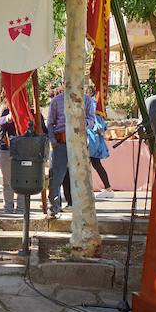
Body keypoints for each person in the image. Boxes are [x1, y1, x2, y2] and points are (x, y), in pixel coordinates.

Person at [46, 87, 96, 218]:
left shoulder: (87, 100)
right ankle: (54, 207)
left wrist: (81, 123)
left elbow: (92, 120)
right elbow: (50, 123)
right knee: (56, 177)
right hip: (61, 143)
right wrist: (53, 141)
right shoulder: (56, 101)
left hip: (79, 143)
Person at [0, 101, 27, 214]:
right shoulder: (4, 111)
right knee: (8, 181)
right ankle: (8, 208)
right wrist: (9, 117)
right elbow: (0, 122)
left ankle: (21, 208)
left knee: (22, 181)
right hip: (6, 150)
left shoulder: (27, 110)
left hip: (23, 150)